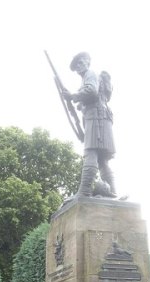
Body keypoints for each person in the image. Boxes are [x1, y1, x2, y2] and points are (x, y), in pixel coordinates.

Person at [63, 52, 117, 198]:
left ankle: (85, 191)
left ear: (87, 62)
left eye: (80, 63)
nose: (78, 67)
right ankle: (113, 191)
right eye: (76, 66)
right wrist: (77, 103)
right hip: (100, 118)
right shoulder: (88, 77)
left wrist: (73, 96)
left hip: (96, 118)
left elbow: (92, 91)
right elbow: (89, 98)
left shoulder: (90, 74)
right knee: (102, 159)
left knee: (90, 153)